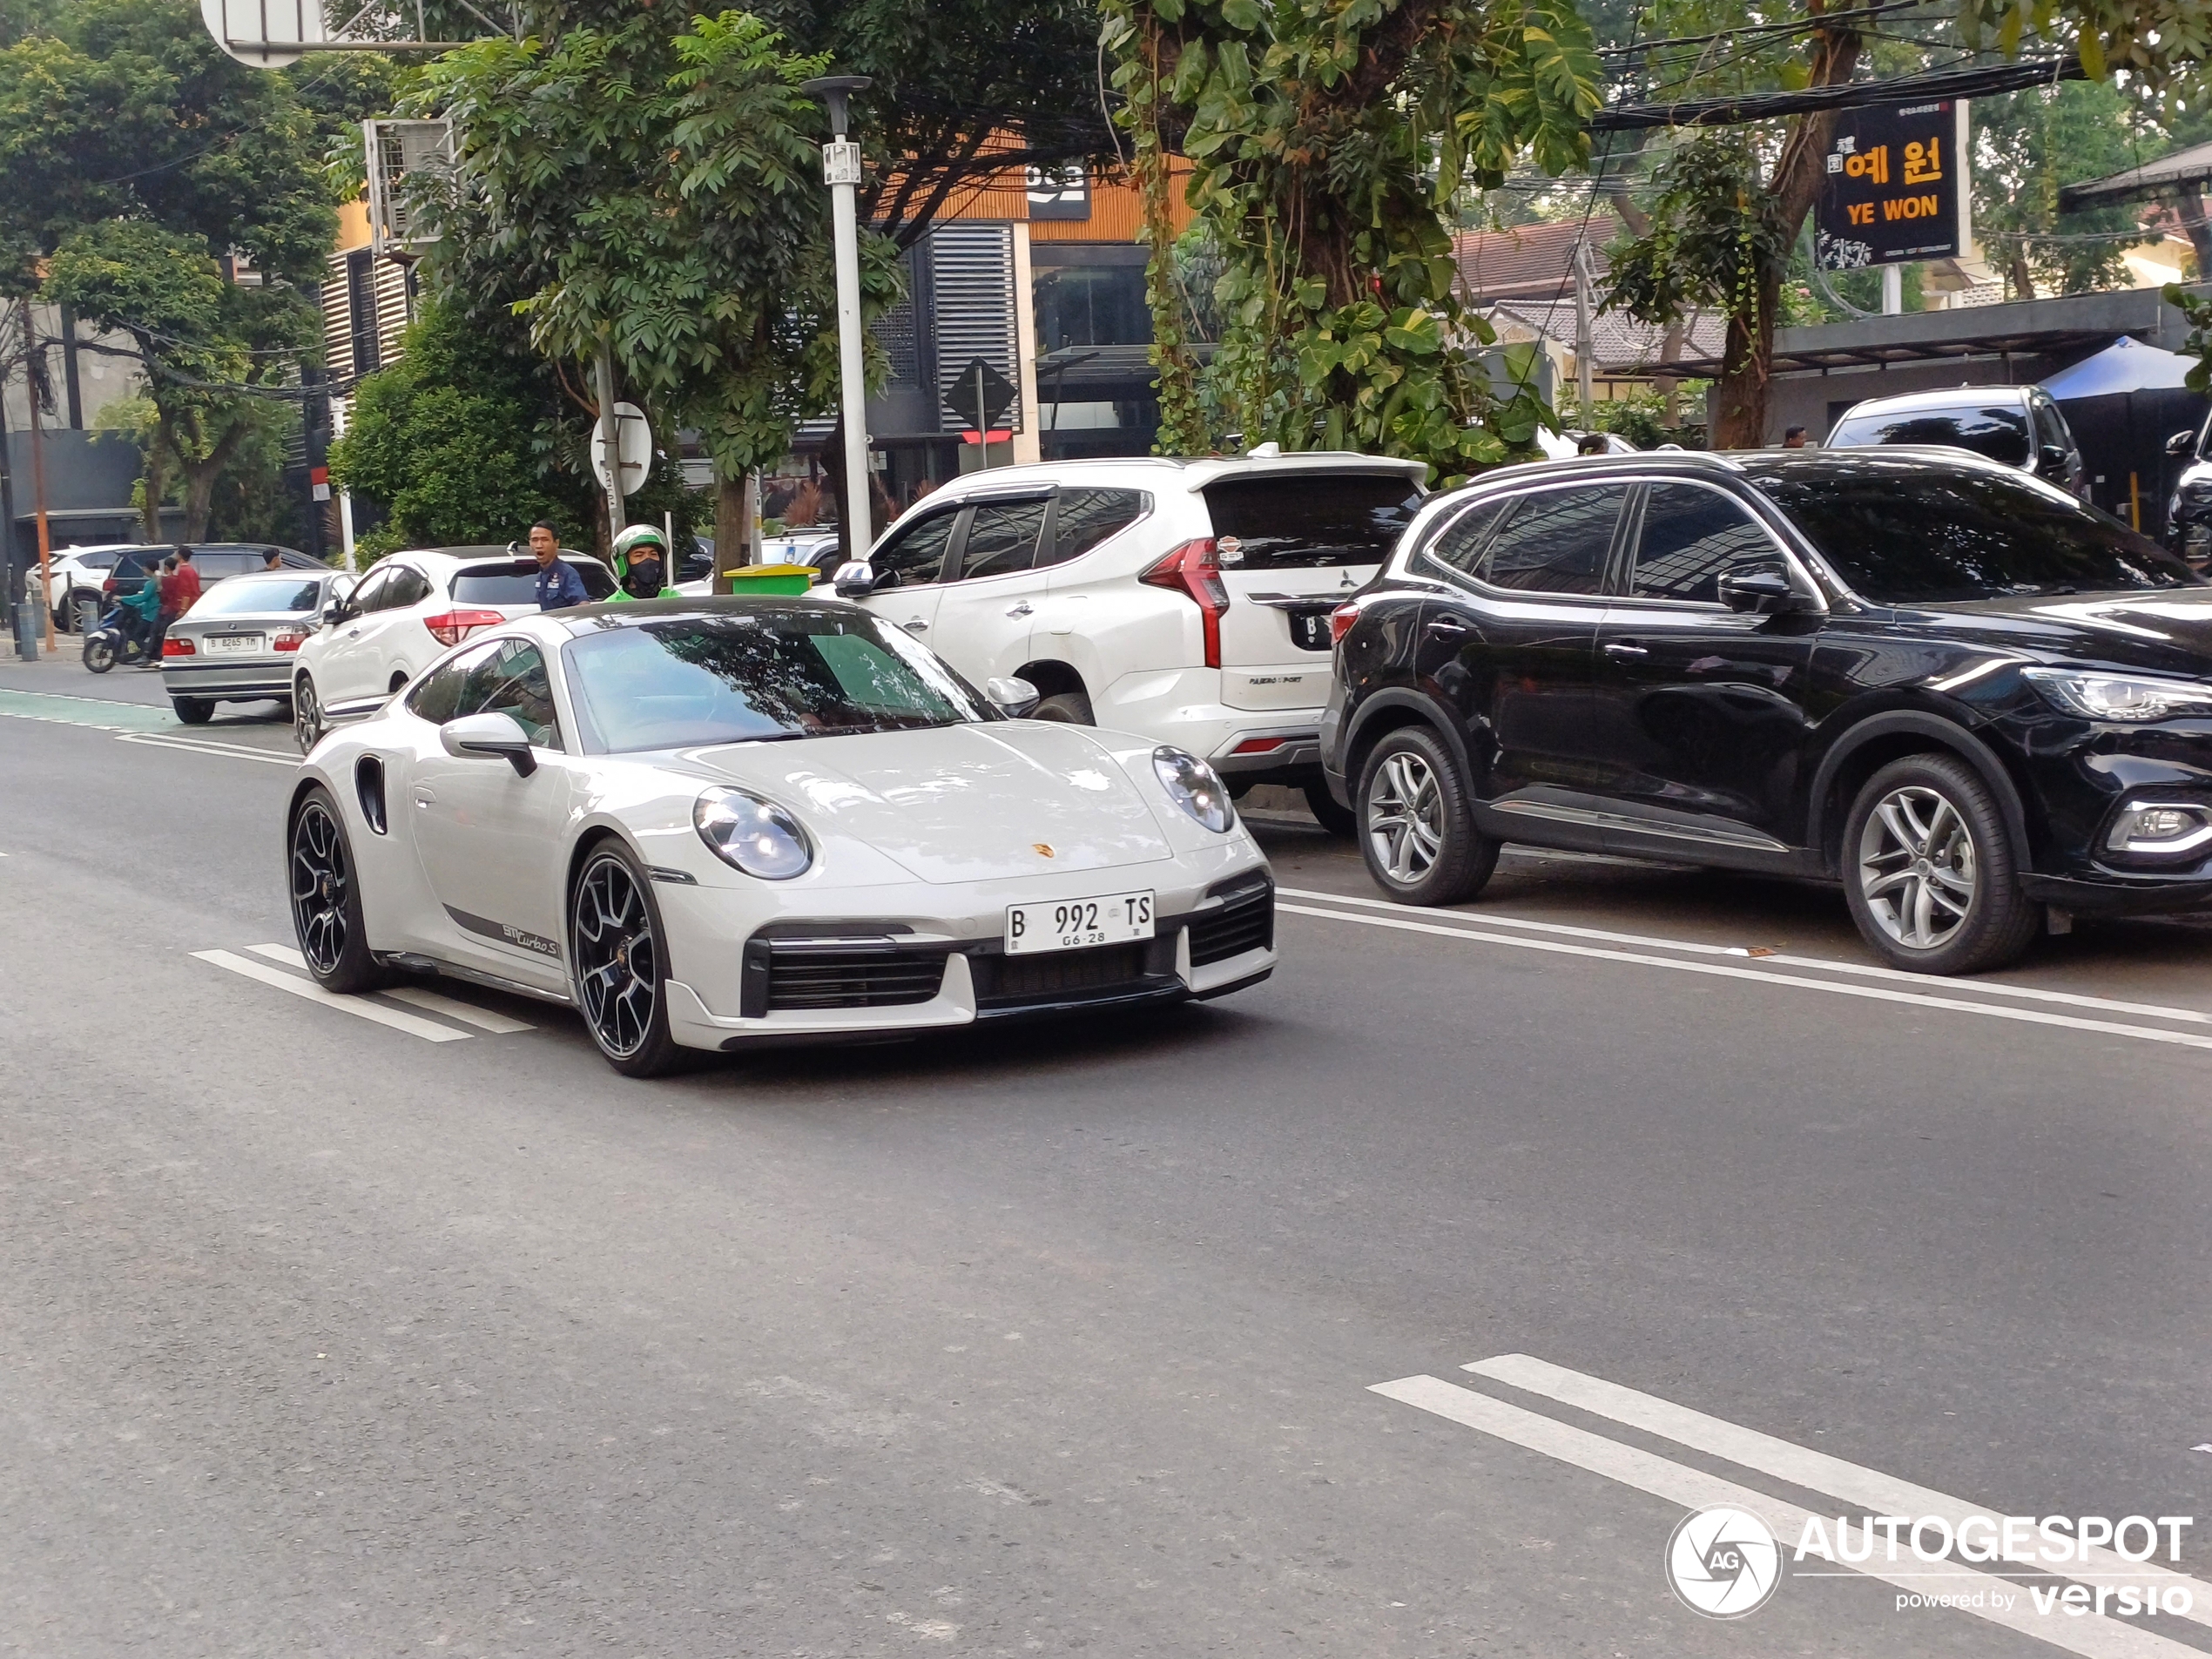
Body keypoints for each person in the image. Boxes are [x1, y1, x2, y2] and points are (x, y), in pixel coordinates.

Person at [609, 524, 678, 602]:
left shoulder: (675, 600)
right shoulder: (611, 606)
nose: (648, 559)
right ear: (624, 563)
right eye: (639, 555)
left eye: (653, 554)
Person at [529, 521, 588, 610]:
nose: (539, 545)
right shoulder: (541, 575)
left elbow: (583, 605)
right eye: (534, 540)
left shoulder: (567, 573)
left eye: (545, 540)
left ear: (556, 543)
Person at [118, 568, 164, 662]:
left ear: (148, 569)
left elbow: (143, 597)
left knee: (137, 635)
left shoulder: (151, 583)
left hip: (151, 614)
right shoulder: (157, 581)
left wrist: (122, 598)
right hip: (153, 612)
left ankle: (146, 653)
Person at [170, 546, 204, 613]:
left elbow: (186, 592)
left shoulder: (183, 570)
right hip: (193, 602)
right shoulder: (190, 569)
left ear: (180, 556)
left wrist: (183, 609)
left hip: (188, 605)